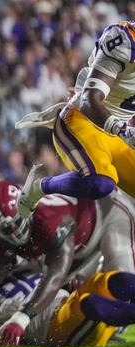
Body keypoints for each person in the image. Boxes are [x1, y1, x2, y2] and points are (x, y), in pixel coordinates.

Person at [0, 180, 135, 346]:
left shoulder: (50, 219)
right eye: (8, 228)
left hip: (109, 211)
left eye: (19, 219)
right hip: (64, 296)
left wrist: (22, 318)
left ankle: (114, 324)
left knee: (122, 281)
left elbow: (56, 274)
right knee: (99, 297)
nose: (16, 230)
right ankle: (111, 328)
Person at [18, 21, 135, 218]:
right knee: (101, 183)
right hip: (83, 119)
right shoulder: (125, 39)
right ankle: (38, 187)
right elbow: (90, 100)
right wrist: (124, 131)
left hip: (119, 133)